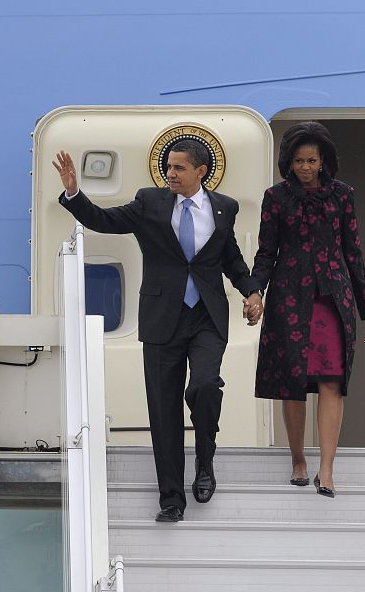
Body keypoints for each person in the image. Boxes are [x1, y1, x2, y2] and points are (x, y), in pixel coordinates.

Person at [54, 141, 263, 522]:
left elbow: (230, 259)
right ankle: (171, 501)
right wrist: (74, 192)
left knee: (203, 385)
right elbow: (105, 220)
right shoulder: (149, 202)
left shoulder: (224, 207)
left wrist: (252, 292)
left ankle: (204, 460)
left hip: (206, 316)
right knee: (164, 411)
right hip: (162, 317)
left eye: (179, 168)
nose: (171, 173)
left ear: (201, 172)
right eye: (169, 166)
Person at [251, 122, 365, 498]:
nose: (305, 167)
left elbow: (353, 253)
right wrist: (255, 291)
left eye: (311, 160)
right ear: (287, 162)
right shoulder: (275, 197)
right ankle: (297, 460)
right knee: (292, 383)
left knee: (331, 380)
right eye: (298, 161)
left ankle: (326, 469)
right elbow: (265, 252)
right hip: (289, 297)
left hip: (332, 298)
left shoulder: (343, 195)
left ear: (324, 160)